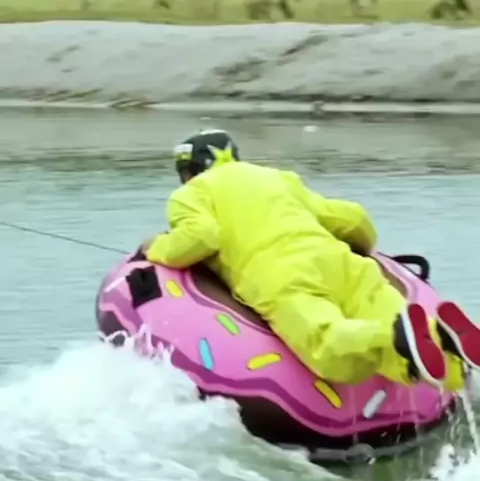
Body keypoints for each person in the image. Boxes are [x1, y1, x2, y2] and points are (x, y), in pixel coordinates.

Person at [143, 129, 480, 391]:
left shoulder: (189, 194)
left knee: (329, 347)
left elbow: (202, 237)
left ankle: (391, 336)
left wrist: (157, 247)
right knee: (390, 321)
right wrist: (364, 246)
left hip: (282, 273)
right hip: (339, 261)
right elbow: (352, 219)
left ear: (187, 172)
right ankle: (443, 339)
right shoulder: (277, 177)